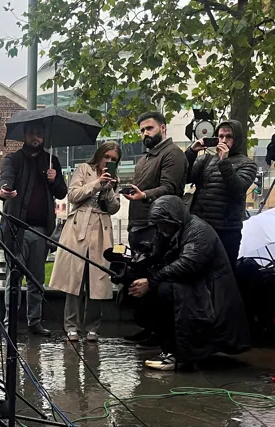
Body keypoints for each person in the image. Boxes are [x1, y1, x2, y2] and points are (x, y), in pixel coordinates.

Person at [128, 196, 250, 371]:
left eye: (164, 225)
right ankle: (169, 347)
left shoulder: (199, 231)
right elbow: (158, 253)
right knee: (145, 291)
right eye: (159, 226)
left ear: (174, 219)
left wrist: (152, 281)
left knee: (164, 291)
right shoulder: (171, 229)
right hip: (194, 286)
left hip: (208, 292)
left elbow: (188, 265)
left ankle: (179, 354)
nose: (161, 229)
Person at [122, 111, 187, 345]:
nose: (145, 133)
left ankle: (161, 332)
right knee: (141, 279)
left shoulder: (173, 154)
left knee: (155, 280)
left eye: (149, 128)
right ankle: (148, 327)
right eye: (141, 130)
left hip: (157, 227)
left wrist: (144, 195)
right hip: (138, 226)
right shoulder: (144, 159)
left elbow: (170, 188)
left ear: (163, 128)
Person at [0, 120, 68, 336]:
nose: (35, 138)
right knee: (14, 277)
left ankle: (34, 321)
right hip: (16, 228)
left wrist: (55, 179)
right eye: (32, 133)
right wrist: (4, 190)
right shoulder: (14, 159)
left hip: (41, 230)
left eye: (39, 134)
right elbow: (6, 178)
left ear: (44, 136)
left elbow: (62, 193)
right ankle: (9, 321)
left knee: (37, 280)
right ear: (25, 135)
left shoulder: (51, 161)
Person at [49, 142, 121, 343]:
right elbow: (73, 195)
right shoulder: (83, 169)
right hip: (79, 226)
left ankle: (92, 328)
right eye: (106, 156)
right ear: (99, 155)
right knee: (75, 279)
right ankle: (71, 326)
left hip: (101, 229)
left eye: (114, 159)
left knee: (97, 279)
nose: (109, 161)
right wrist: (97, 183)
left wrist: (110, 188)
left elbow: (114, 208)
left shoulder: (114, 178)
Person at [187, 120, 258, 269]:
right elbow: (185, 177)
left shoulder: (248, 164)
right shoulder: (206, 159)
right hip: (201, 227)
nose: (224, 140)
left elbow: (237, 188)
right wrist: (191, 152)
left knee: (224, 277)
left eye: (229, 136)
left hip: (226, 231)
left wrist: (224, 162)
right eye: (220, 136)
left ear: (237, 139)